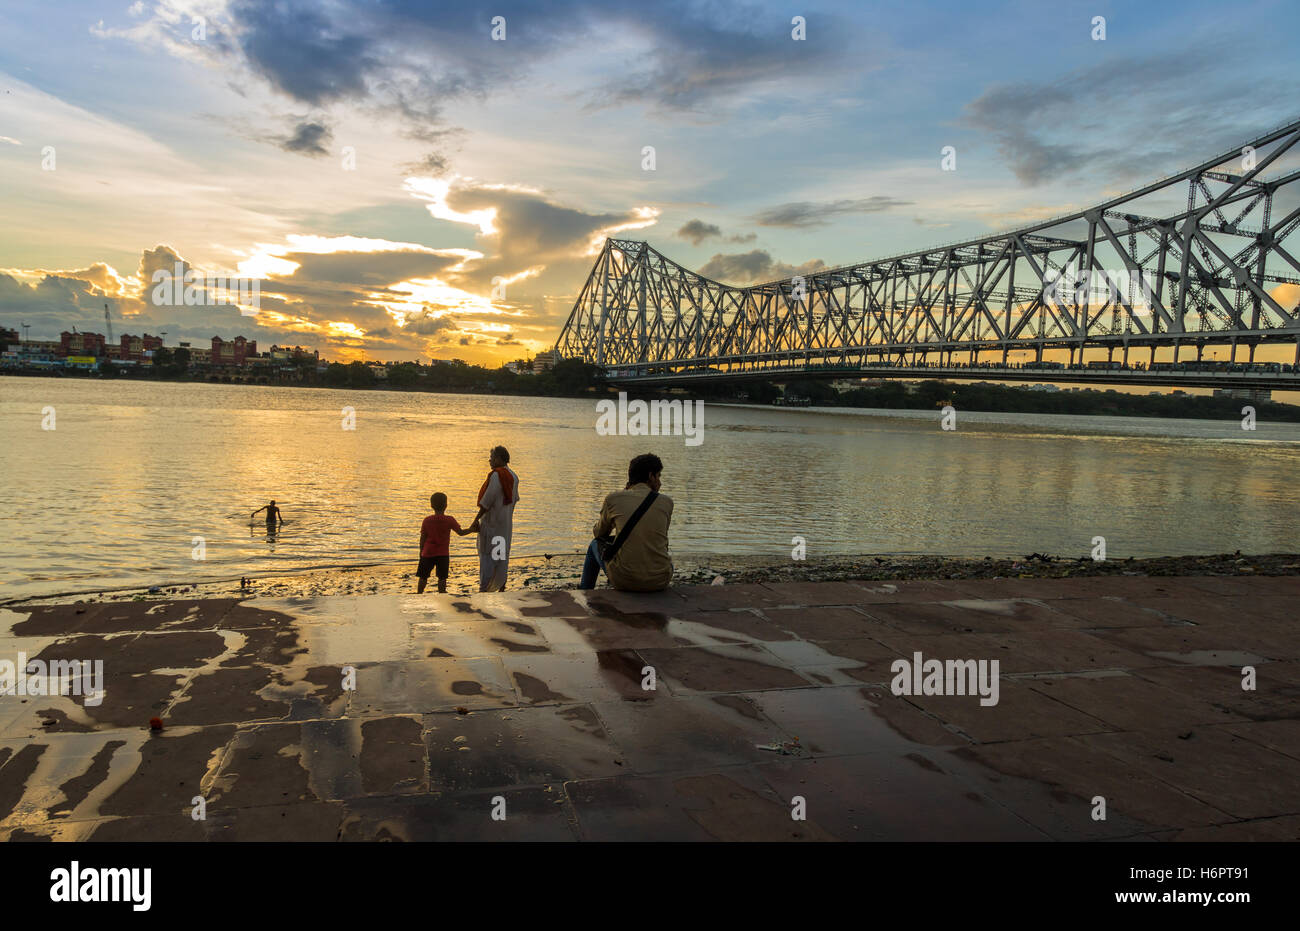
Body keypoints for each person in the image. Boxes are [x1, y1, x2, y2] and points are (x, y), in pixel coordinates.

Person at [580, 453, 673, 592]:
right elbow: (658, 539)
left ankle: (585, 592)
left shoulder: (614, 499)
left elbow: (599, 533)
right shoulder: (667, 502)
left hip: (625, 580)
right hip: (660, 580)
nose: (660, 482)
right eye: (659, 476)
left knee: (594, 544)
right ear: (650, 476)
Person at [470, 446, 520, 592]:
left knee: (487, 558)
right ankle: (501, 587)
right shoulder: (514, 476)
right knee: (501, 557)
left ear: (498, 459)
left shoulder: (496, 476)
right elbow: (513, 501)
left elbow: (487, 502)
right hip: (504, 527)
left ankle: (484, 589)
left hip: (491, 526)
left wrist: (476, 519)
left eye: (491, 457)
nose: (489, 460)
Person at [417, 492, 476, 594]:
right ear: (446, 505)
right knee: (442, 577)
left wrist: (421, 552)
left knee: (423, 576)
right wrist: (472, 529)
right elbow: (461, 533)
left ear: (431, 505)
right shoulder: (449, 520)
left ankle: (419, 593)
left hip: (427, 553)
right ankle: (442, 594)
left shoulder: (427, 520)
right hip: (443, 554)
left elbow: (422, 539)